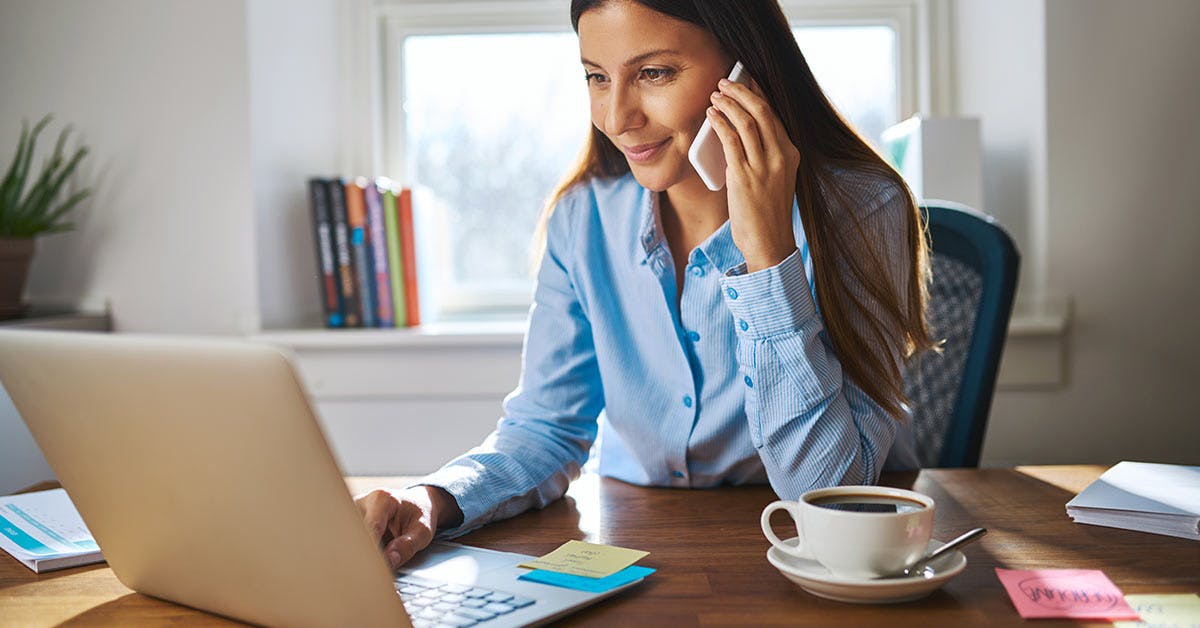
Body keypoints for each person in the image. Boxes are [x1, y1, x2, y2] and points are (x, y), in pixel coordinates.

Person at [356, 0, 934, 570]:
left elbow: (826, 493)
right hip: (632, 551)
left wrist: (767, 255)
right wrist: (431, 500)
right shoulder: (584, 219)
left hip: (802, 561)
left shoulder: (861, 209)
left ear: (745, 70)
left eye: (654, 73)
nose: (616, 117)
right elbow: (547, 428)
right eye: (597, 77)